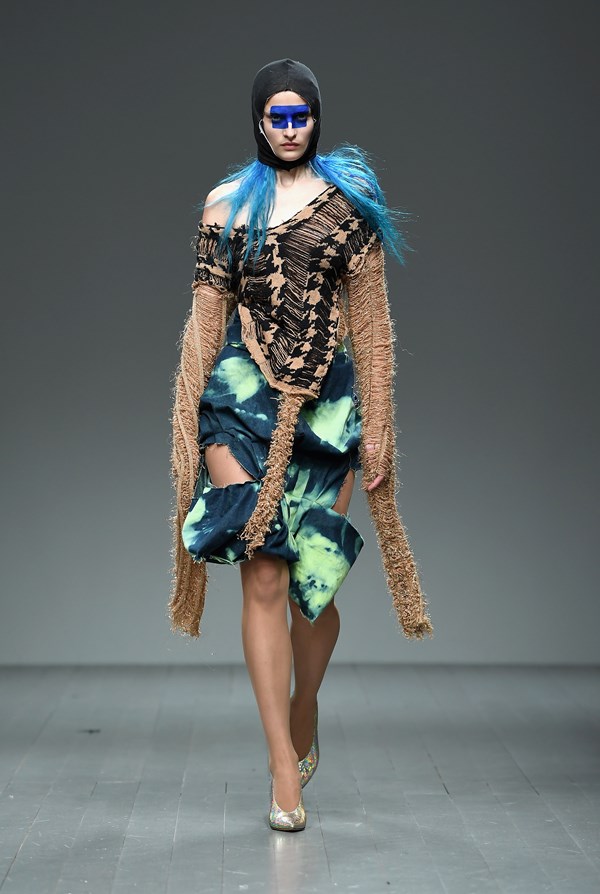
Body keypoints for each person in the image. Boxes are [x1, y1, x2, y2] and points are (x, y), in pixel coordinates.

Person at [168, 58, 433, 832]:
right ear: (258, 119)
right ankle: (283, 764)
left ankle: (304, 702)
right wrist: (186, 418)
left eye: (300, 116)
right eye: (276, 116)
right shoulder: (226, 205)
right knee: (262, 575)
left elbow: (372, 324)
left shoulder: (348, 203)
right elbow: (206, 321)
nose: (288, 129)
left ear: (316, 118)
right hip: (236, 401)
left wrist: (379, 425)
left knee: (312, 587)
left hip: (326, 411)